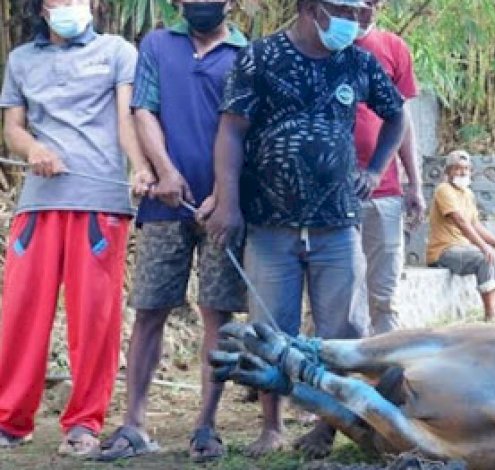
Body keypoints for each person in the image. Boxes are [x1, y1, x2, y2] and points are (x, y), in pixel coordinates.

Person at [201, 0, 407, 457]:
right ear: (310, 8)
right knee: (269, 329)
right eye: (344, 10)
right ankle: (271, 426)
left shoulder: (357, 60)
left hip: (337, 223)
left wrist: (375, 172)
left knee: (343, 332)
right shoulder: (260, 56)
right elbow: (231, 131)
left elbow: (396, 114)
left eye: (358, 13)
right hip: (270, 224)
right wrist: (228, 203)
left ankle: (328, 426)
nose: (354, 21)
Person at [95, 0, 247, 463]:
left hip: (224, 209)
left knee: (217, 314)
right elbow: (144, 110)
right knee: (149, 309)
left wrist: (224, 194)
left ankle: (205, 425)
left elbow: (244, 128)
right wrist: (164, 172)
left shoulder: (248, 54)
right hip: (163, 203)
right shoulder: (158, 44)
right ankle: (134, 423)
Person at [0, 0, 145, 457]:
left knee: (95, 319)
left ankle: (84, 423)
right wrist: (34, 150)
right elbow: (13, 128)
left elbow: (127, 120)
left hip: (99, 205)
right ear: (43, 8)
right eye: (60, 0)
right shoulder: (21, 59)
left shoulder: (118, 50)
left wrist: (140, 167)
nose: (71, 7)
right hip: (38, 204)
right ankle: (9, 421)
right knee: (20, 314)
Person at [352, 0, 424, 336]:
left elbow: (403, 121)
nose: (364, 8)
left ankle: (386, 374)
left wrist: (415, 184)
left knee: (384, 294)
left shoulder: (393, 48)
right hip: (328, 198)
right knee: (338, 295)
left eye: (371, 2)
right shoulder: (316, 48)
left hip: (383, 192)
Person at [427, 151, 495, 321]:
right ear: (448, 171)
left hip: (463, 248)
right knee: (484, 257)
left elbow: (475, 224)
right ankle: (490, 313)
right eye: (458, 169)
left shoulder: (468, 194)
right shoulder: (443, 190)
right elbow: (460, 221)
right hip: (444, 251)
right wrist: (483, 247)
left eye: (466, 169)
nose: (463, 172)